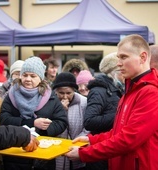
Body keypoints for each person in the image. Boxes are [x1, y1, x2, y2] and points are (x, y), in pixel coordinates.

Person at [65, 34, 158, 170]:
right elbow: (117, 132)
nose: (118, 63)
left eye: (124, 57)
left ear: (143, 57)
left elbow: (129, 139)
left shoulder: (150, 92)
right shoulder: (130, 90)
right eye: (118, 58)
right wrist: (91, 140)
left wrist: (85, 153)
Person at [0, 56, 68, 170]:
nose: (28, 79)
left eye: (33, 76)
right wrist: (32, 122)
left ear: (40, 78)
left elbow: (62, 121)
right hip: (16, 153)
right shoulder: (11, 95)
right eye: (25, 75)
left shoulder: (50, 96)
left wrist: (45, 128)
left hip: (43, 155)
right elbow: (4, 119)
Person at [83, 52, 123, 170]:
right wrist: (119, 116)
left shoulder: (117, 89)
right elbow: (89, 121)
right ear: (113, 73)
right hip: (99, 152)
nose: (125, 75)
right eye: (121, 71)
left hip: (110, 148)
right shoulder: (98, 91)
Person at [53, 72, 89, 170]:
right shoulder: (51, 102)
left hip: (76, 148)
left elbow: (87, 127)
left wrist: (76, 142)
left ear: (74, 91)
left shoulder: (83, 103)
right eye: (61, 93)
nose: (65, 97)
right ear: (56, 91)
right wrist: (61, 110)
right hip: (56, 151)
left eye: (68, 93)